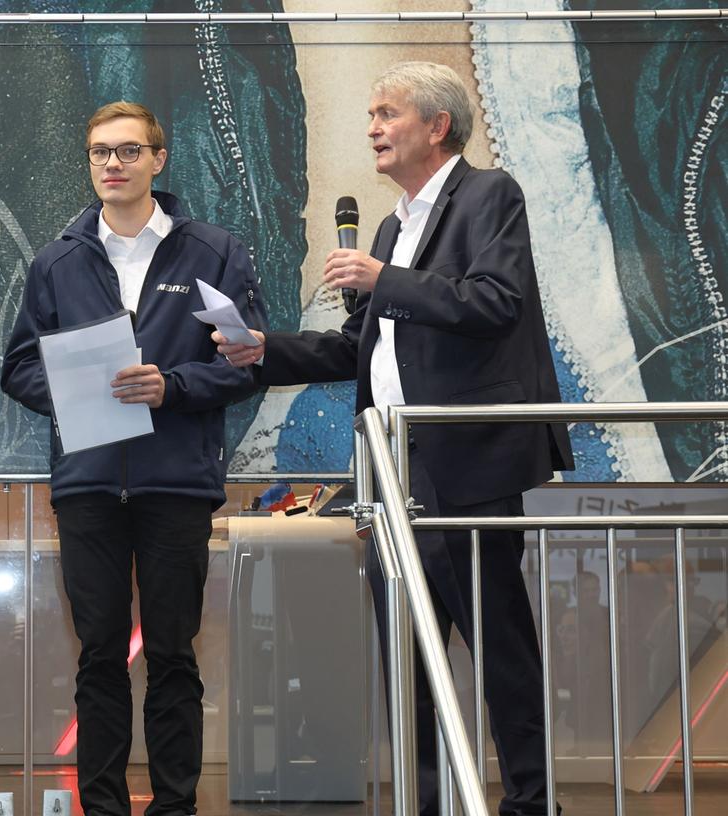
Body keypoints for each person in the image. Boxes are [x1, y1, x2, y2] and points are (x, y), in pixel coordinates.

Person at [216, 62, 574, 816]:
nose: (373, 127)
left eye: (387, 113)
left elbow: (495, 300)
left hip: (465, 465)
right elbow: (361, 348)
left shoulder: (488, 196)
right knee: (405, 654)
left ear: (436, 125)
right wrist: (264, 350)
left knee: (497, 643)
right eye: (370, 114)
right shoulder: (392, 224)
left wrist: (386, 278)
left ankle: (532, 803)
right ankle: (429, 799)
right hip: (390, 471)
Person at [1, 101, 266, 816]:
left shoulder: (214, 252)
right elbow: (18, 367)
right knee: (98, 658)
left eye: (126, 151)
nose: (111, 165)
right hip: (87, 486)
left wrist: (171, 386)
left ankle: (175, 805)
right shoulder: (57, 259)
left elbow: (244, 363)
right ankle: (104, 806)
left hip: (176, 483)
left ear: (158, 159)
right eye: (98, 153)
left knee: (175, 655)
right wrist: (74, 390)